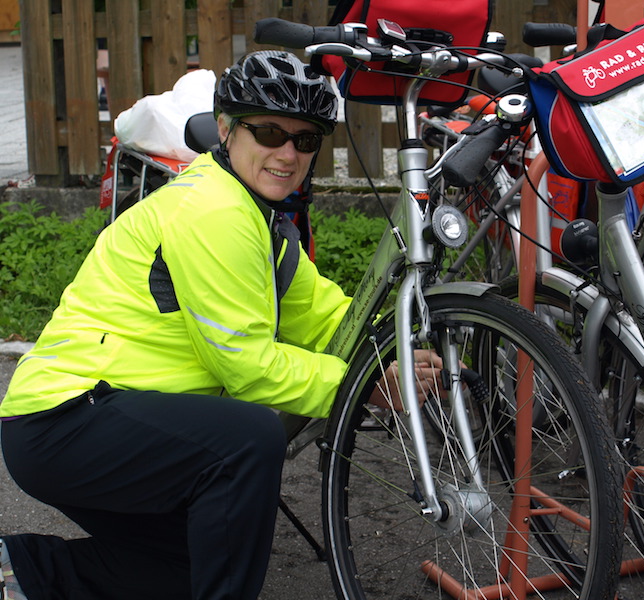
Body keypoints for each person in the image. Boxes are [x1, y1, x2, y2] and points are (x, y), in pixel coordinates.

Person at [0, 50, 441, 600]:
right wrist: (365, 383)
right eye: (270, 132)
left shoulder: (259, 218)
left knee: (186, 567)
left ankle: (19, 570)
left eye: (305, 140)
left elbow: (325, 316)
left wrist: (400, 347)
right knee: (246, 441)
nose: (288, 154)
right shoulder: (213, 209)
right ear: (227, 128)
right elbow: (246, 365)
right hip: (65, 418)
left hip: (100, 414)